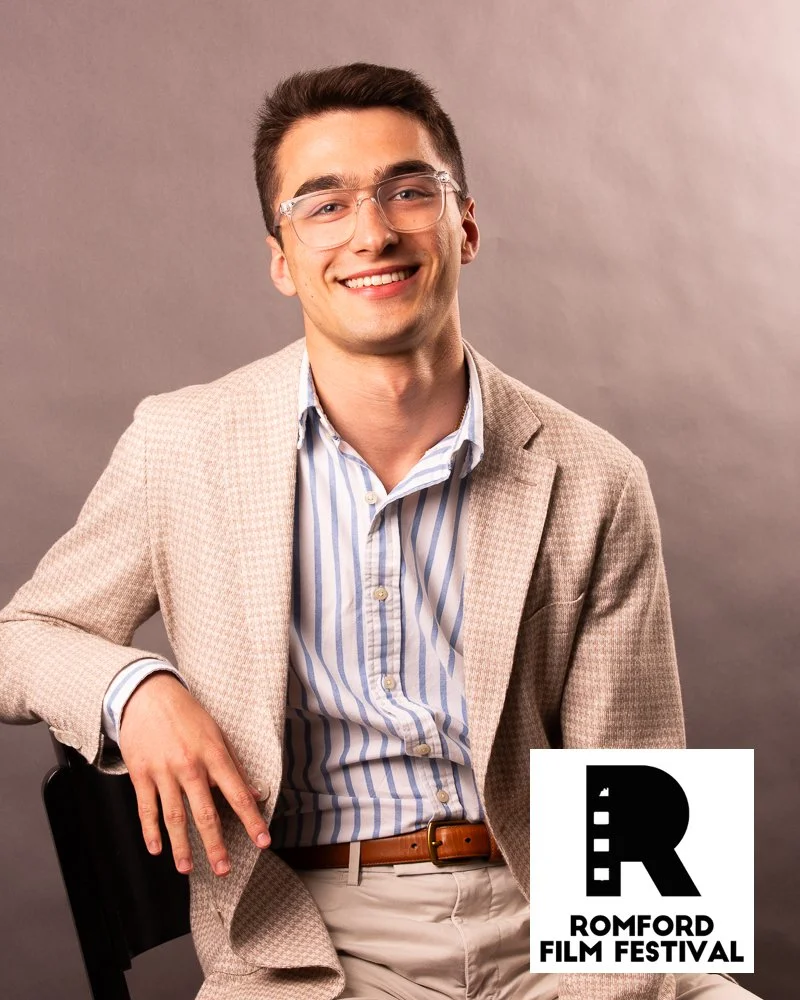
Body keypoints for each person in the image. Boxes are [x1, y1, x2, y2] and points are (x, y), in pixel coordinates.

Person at [0, 63, 760, 1000]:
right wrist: (134, 686)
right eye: (322, 205)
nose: (372, 232)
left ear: (465, 225)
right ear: (281, 257)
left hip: (559, 927)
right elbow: (17, 640)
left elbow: (638, 794)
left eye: (409, 191)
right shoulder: (182, 442)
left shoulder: (596, 474)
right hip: (310, 946)